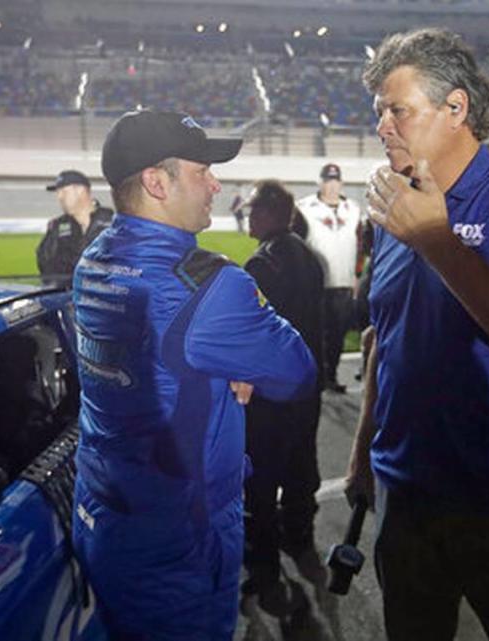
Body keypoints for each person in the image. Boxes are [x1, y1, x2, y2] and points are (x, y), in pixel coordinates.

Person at [347, 28, 489, 641]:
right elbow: (386, 337)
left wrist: (436, 242)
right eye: (379, 114)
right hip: (406, 493)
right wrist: (362, 451)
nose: (383, 127)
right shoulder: (396, 208)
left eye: (398, 111)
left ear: (456, 108)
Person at [70, 110, 316, 641]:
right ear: (157, 183)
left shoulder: (93, 258)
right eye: (202, 169)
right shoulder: (211, 285)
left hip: (101, 511)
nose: (215, 182)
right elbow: (297, 371)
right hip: (178, 538)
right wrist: (239, 361)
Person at [241, 179, 327, 615]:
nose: (249, 216)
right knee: (300, 466)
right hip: (305, 386)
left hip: (271, 392)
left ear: (275, 213)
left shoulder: (263, 264)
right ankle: (300, 536)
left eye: (255, 209)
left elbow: (248, 333)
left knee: (261, 479)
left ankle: (264, 565)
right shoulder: (310, 258)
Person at [296, 163, 361, 393]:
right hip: (317, 286)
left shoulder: (353, 209)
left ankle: (330, 375)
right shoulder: (304, 208)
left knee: (337, 335)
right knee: (315, 335)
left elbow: (359, 244)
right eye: (327, 180)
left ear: (341, 182)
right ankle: (315, 377)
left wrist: (356, 276)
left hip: (343, 283)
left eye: (335, 180)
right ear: (320, 182)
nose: (331, 185)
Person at [37, 169, 114, 287]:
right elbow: (45, 267)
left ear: (81, 190)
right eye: (58, 192)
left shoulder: (112, 221)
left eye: (63, 191)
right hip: (67, 299)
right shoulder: (57, 227)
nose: (60, 197)